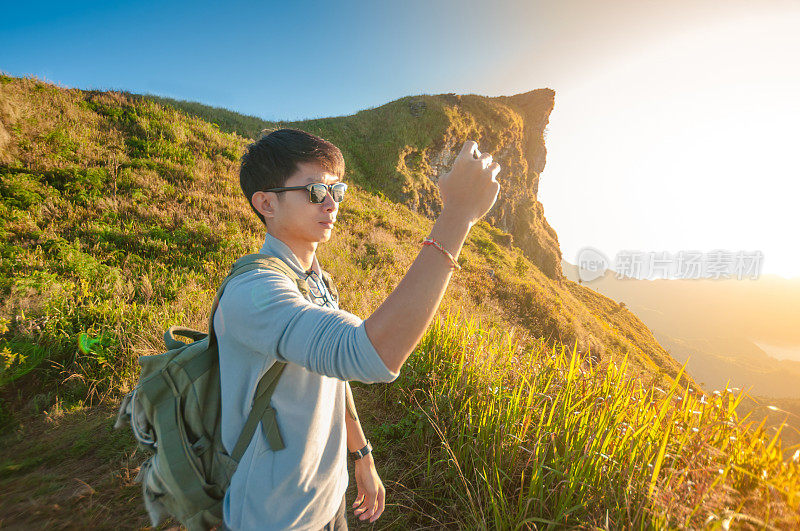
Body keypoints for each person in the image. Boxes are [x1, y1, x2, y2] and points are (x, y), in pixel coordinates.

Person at [214, 128, 500, 530]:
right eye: (315, 191)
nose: (331, 203)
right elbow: (367, 355)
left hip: (330, 498)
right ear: (266, 203)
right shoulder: (253, 292)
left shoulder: (315, 279)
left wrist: (361, 453)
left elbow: (335, 373)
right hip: (275, 515)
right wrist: (457, 215)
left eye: (337, 190)